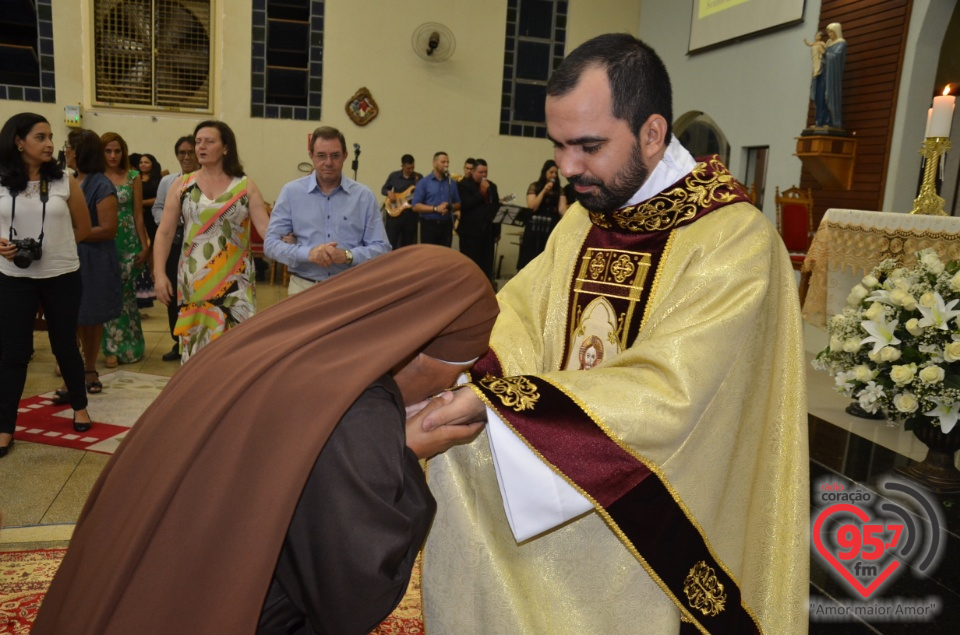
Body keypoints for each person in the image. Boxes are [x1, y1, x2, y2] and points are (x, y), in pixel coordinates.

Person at [414, 34, 808, 633]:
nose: (568, 168)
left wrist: (504, 407)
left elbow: (675, 391)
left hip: (656, 517)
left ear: (652, 133)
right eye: (559, 145)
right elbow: (520, 314)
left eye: (588, 146)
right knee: (461, 452)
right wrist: (457, 374)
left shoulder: (735, 241)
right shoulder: (586, 219)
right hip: (555, 462)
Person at [32, 245, 498, 635]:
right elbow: (351, 599)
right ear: (425, 342)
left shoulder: (266, 340)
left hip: (133, 583)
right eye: (463, 367)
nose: (450, 388)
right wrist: (402, 455)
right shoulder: (360, 409)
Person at [0, 113, 94, 457]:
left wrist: (55, 249)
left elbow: (83, 228)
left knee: (65, 346)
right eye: (40, 137)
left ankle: (80, 406)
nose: (50, 143)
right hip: (13, 278)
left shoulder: (64, 180)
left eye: (51, 137)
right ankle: (5, 426)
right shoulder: (0, 179)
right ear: (18, 141)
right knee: (13, 353)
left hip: (62, 276)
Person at [154, 120, 270, 363]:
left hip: (235, 282)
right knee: (196, 348)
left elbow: (266, 229)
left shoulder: (245, 185)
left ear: (225, 148)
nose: (201, 147)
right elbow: (164, 233)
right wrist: (159, 274)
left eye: (209, 141)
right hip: (194, 281)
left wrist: (292, 241)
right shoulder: (182, 185)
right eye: (198, 141)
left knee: (235, 350)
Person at [265, 126, 389, 295]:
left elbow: (382, 248)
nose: (329, 162)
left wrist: (347, 256)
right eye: (321, 156)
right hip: (303, 288)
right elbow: (271, 244)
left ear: (345, 155)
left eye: (335, 155)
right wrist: (308, 253)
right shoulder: (291, 192)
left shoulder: (363, 196)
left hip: (350, 288)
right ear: (311, 156)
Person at [58, 129, 121, 396]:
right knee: (67, 318)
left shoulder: (101, 184)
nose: (65, 151)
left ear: (80, 151)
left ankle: (89, 369)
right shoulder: (66, 180)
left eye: (68, 147)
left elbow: (108, 228)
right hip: (66, 258)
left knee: (90, 318)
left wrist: (71, 234)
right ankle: (72, 374)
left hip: (92, 259)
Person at [100, 131, 148, 367]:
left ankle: (131, 345)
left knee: (126, 295)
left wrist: (145, 244)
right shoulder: (96, 176)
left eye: (117, 150)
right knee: (107, 293)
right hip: (104, 240)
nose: (113, 155)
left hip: (129, 241)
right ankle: (109, 349)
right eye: (108, 151)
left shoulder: (133, 176)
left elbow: (138, 213)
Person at [151, 136, 197, 361]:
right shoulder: (168, 182)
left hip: (197, 247)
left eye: (190, 152)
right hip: (174, 244)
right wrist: (170, 220)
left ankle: (195, 341)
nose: (186, 157)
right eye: (182, 153)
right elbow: (157, 209)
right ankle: (177, 341)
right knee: (173, 295)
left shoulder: (207, 181)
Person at [516, 159, 568, 269]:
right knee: (530, 257)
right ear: (545, 173)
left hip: (550, 227)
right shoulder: (535, 186)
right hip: (534, 226)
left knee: (546, 260)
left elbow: (562, 210)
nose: (553, 175)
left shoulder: (560, 190)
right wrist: (544, 190)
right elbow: (532, 206)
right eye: (551, 172)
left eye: (555, 173)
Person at [456, 158, 499, 282]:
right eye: (481, 172)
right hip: (470, 232)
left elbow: (495, 208)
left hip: (487, 232)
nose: (484, 175)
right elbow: (465, 205)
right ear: (473, 171)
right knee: (471, 265)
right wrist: (481, 192)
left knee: (486, 266)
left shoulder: (492, 186)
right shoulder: (463, 185)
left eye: (486, 172)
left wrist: (497, 230)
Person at [410, 151, 461, 247]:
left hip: (446, 225)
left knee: (445, 254)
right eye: (443, 162)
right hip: (429, 225)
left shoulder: (451, 183)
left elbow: (458, 204)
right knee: (429, 255)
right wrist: (436, 209)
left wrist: (449, 207)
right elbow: (415, 206)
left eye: (447, 162)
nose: (446, 165)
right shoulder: (424, 183)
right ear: (434, 163)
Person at [380, 153, 421, 249]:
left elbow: (423, 193)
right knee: (391, 241)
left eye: (412, 167)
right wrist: (389, 193)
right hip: (394, 215)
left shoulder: (418, 178)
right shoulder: (394, 176)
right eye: (408, 168)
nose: (411, 170)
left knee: (408, 244)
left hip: (410, 215)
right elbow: (383, 189)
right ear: (402, 166)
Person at [821, 22, 847, 129]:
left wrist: (825, 53)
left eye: (831, 32)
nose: (829, 34)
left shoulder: (841, 43)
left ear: (836, 31)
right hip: (825, 73)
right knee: (822, 96)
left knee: (830, 96)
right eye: (828, 32)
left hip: (833, 76)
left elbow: (836, 57)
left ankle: (832, 121)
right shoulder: (828, 43)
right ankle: (822, 120)